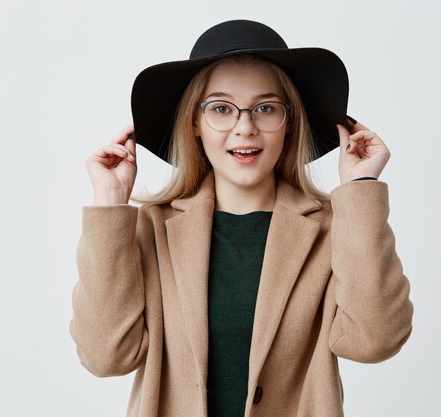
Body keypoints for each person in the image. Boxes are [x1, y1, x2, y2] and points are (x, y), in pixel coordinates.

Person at [69, 19, 414, 417]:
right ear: (195, 124)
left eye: (265, 108)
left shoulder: (334, 230)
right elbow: (105, 357)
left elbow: (376, 341)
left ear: (290, 122)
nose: (245, 128)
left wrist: (361, 187)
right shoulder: (151, 229)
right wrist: (110, 203)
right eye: (221, 108)